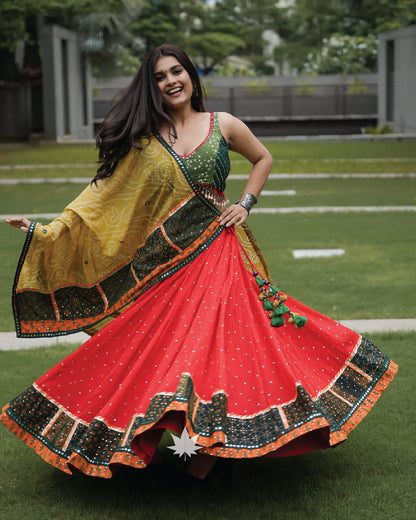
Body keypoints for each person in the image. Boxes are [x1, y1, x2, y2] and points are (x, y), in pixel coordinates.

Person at [1, 45, 397, 480]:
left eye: (177, 71)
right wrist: (50, 229)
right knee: (156, 348)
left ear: (191, 76)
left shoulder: (221, 124)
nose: (171, 80)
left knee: (228, 344)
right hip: (172, 265)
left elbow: (263, 158)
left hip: (222, 252)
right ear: (151, 86)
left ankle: (210, 445)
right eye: (160, 76)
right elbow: (103, 198)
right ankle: (189, 437)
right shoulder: (147, 140)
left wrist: (245, 203)